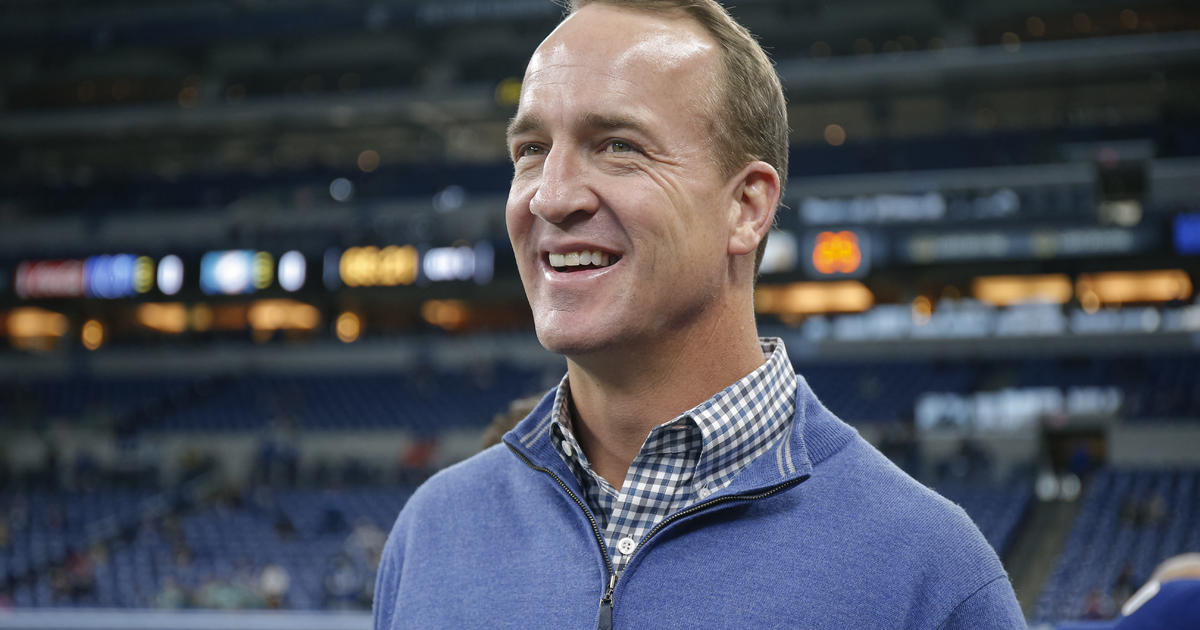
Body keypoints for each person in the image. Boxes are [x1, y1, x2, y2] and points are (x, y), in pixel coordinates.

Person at [373, 1, 1024, 628]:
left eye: (618, 145)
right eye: (531, 150)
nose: (552, 195)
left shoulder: (927, 571)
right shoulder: (433, 531)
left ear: (745, 207)